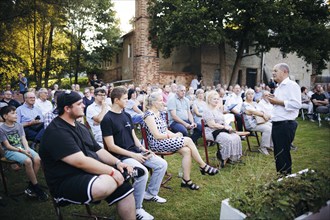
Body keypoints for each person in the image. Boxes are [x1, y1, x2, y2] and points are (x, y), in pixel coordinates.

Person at [39, 91, 136, 220]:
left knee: (125, 189)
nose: (84, 105)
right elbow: (80, 162)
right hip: (66, 180)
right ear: (67, 108)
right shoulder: (57, 132)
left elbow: (97, 150)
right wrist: (112, 172)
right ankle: (122, 176)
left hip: (88, 172)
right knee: (105, 185)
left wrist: (118, 163)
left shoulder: (80, 126)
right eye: (79, 104)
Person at [101, 86, 167, 220]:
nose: (128, 101)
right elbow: (111, 146)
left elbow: (133, 136)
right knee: (142, 172)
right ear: (116, 100)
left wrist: (142, 149)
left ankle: (150, 193)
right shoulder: (107, 119)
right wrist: (133, 155)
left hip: (135, 151)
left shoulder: (126, 115)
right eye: (125, 99)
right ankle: (137, 208)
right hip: (121, 157)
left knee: (162, 164)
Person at [143, 91, 218, 190]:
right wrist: (173, 137)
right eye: (161, 101)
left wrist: (175, 135)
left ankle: (186, 180)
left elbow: (165, 130)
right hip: (156, 144)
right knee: (187, 140)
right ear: (153, 103)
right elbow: (157, 135)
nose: (163, 102)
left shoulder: (159, 113)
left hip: (164, 141)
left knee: (187, 150)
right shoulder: (149, 115)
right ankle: (203, 165)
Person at [0, 106, 48, 200]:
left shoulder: (19, 125)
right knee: (28, 161)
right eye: (13, 113)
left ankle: (31, 185)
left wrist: (27, 149)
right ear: (5, 116)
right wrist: (23, 151)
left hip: (22, 147)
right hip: (10, 151)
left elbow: (24, 139)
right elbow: (8, 146)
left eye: (16, 113)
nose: (16, 115)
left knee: (37, 158)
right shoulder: (1, 129)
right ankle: (36, 187)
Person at [267, 63, 301, 175]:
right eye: (273, 71)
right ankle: (281, 177)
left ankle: (285, 178)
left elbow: (296, 104)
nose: (273, 73)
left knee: (283, 153)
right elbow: (281, 105)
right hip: (277, 123)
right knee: (278, 154)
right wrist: (273, 101)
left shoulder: (292, 85)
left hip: (285, 125)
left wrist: (277, 102)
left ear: (285, 71)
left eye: (275, 70)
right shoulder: (279, 86)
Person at [203, 91, 243, 168]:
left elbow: (223, 122)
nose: (216, 101)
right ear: (209, 100)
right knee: (228, 139)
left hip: (220, 129)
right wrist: (224, 127)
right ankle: (222, 157)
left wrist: (228, 126)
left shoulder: (217, 110)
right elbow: (212, 125)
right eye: (214, 99)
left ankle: (231, 158)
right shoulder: (207, 111)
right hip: (211, 131)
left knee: (236, 137)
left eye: (217, 99)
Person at [241, 89, 273, 155]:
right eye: (249, 94)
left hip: (258, 122)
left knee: (272, 125)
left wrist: (263, 113)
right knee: (267, 129)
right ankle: (263, 147)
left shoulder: (255, 103)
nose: (251, 95)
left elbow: (260, 110)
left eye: (252, 94)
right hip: (251, 124)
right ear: (246, 95)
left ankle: (269, 145)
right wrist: (263, 114)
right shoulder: (244, 104)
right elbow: (253, 111)